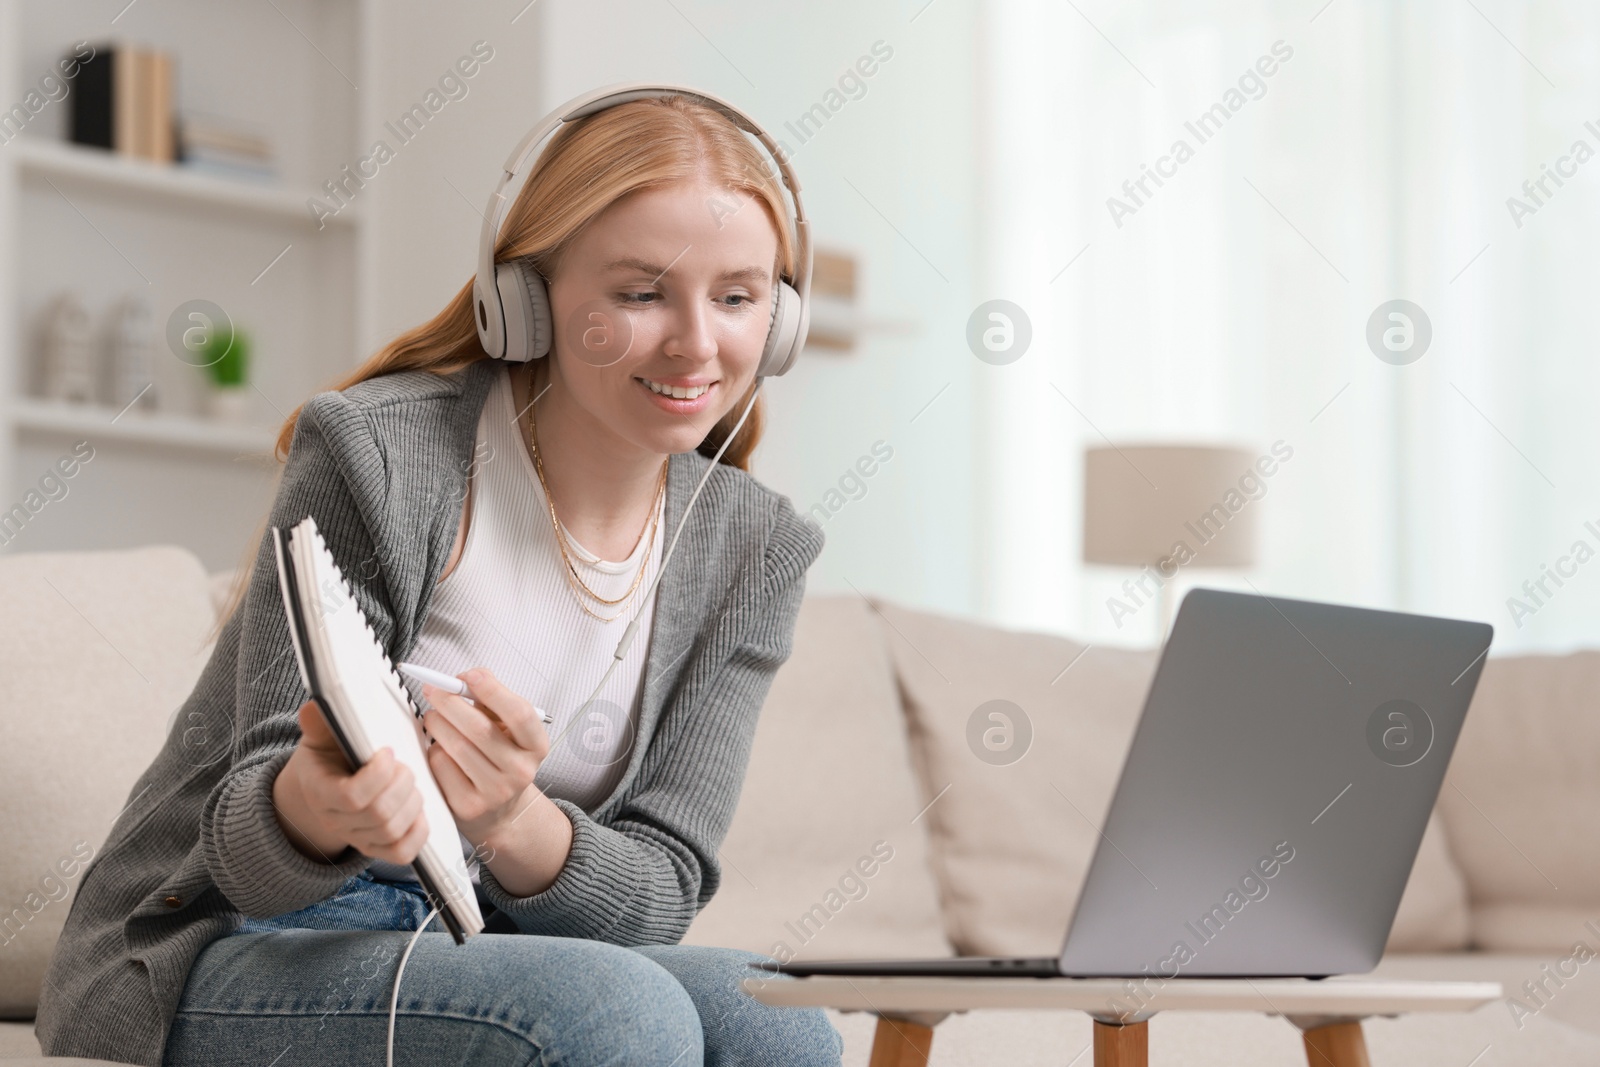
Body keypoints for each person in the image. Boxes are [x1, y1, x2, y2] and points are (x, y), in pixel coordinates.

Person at [35, 91, 839, 1067]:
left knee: (777, 1013)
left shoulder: (753, 546)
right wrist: (321, 807)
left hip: (488, 941)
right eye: (640, 293)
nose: (697, 344)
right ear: (527, 297)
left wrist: (510, 817)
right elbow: (245, 855)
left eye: (738, 296)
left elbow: (660, 893)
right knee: (615, 1016)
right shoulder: (379, 455)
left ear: (782, 317)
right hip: (231, 938)